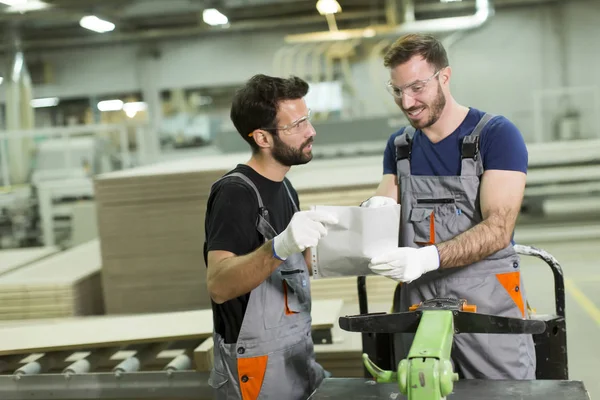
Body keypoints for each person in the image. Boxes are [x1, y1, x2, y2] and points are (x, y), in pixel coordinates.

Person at [361, 33, 536, 380]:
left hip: (486, 301)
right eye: (397, 91)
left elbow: (498, 230)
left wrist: (426, 258)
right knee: (419, 386)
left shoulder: (495, 135)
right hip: (417, 304)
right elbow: (384, 207)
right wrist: (368, 215)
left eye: (416, 87)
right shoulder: (400, 146)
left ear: (444, 76)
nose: (407, 101)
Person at [203, 74, 338, 400]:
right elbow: (219, 285)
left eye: (308, 118)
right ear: (263, 138)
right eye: (297, 125)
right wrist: (279, 246)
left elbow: (299, 266)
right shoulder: (235, 193)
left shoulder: (285, 188)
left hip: (295, 353)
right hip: (257, 365)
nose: (311, 132)